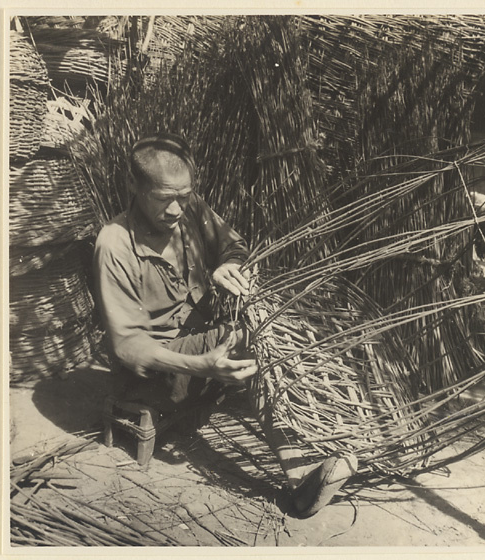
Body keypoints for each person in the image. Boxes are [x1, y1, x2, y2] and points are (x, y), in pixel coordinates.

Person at [93, 132, 357, 518]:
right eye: (164, 197)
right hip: (154, 371)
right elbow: (128, 347)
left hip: (201, 342)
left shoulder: (191, 209)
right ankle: (299, 479)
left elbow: (234, 245)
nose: (176, 208)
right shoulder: (114, 244)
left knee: (272, 324)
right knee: (250, 341)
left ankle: (325, 434)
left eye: (184, 196)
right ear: (133, 184)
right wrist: (200, 366)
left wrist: (226, 265)